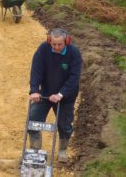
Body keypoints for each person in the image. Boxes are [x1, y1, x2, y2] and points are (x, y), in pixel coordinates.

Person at [28, 28, 82, 162]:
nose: (57, 47)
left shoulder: (73, 53)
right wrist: (35, 90)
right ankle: (35, 149)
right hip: (45, 93)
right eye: (54, 44)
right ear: (49, 41)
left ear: (66, 41)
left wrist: (60, 94)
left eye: (60, 44)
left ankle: (62, 149)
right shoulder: (43, 49)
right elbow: (36, 70)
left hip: (66, 96)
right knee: (33, 120)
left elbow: (74, 78)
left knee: (64, 125)